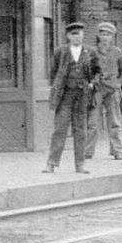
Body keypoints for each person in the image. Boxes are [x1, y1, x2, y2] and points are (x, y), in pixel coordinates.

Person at [46, 20, 100, 174]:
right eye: (73, 34)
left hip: (82, 96)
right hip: (65, 97)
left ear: (83, 35)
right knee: (60, 129)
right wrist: (58, 87)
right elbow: (53, 73)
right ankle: (51, 163)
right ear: (68, 36)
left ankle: (80, 165)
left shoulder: (90, 52)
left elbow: (97, 72)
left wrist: (92, 83)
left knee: (80, 130)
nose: (77, 37)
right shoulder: (60, 52)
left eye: (79, 34)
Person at [90, 22, 122, 161]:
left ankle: (117, 151)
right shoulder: (91, 52)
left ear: (112, 37)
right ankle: (88, 152)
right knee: (92, 122)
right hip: (96, 91)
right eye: (102, 34)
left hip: (112, 91)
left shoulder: (117, 52)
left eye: (108, 34)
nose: (105, 37)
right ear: (98, 35)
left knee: (114, 122)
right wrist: (91, 82)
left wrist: (117, 84)